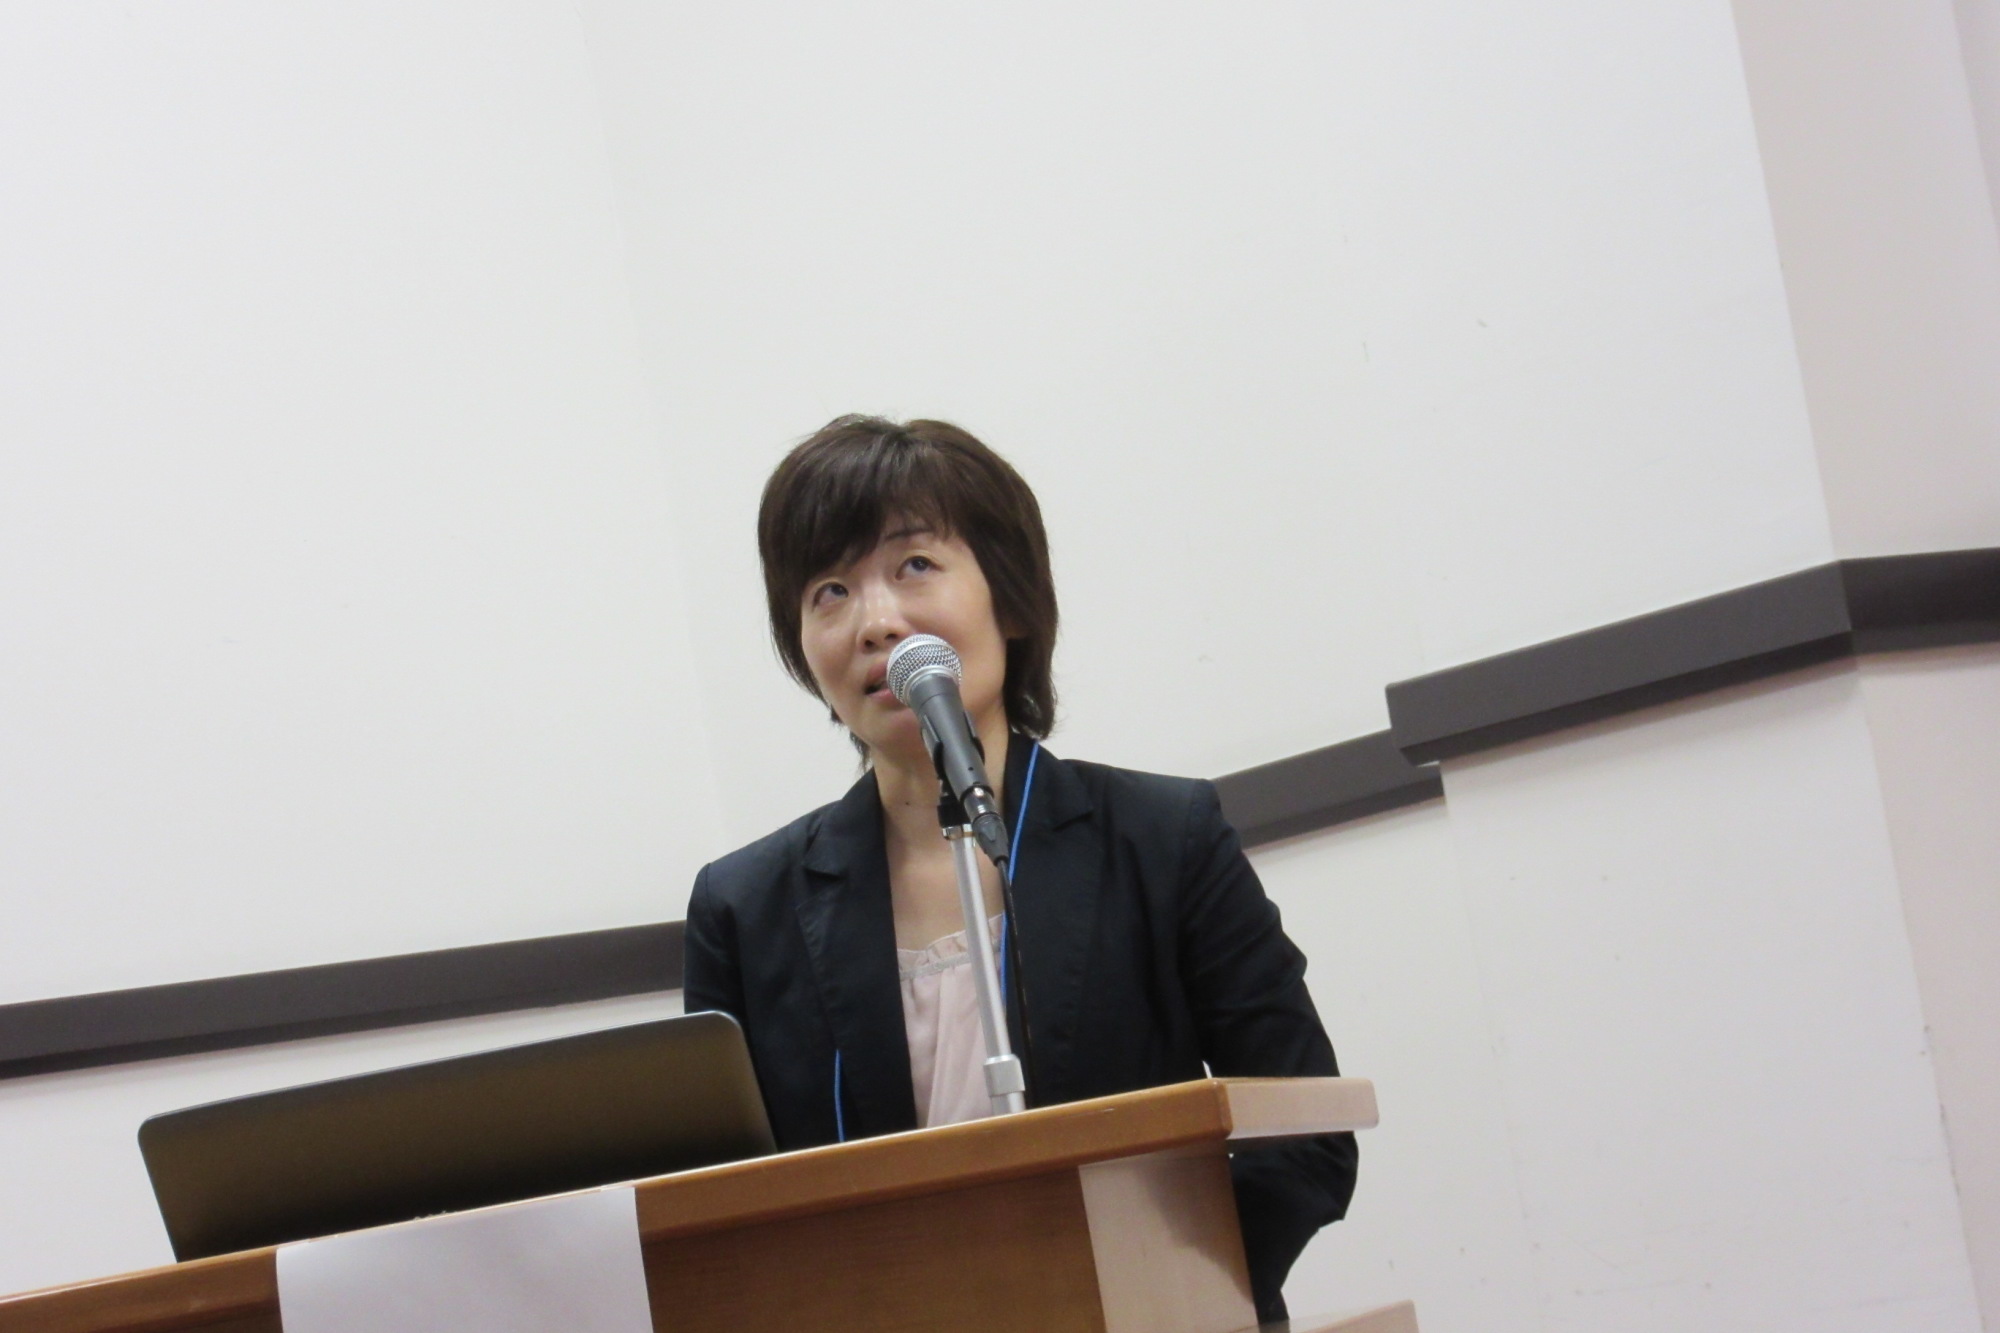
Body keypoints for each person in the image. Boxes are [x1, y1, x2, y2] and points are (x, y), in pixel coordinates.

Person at [682, 415, 1356, 1321]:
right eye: (829, 590)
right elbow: (712, 1218)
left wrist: (1156, 1296)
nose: (876, 621)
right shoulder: (743, 906)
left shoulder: (1163, 839)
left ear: (1011, 598)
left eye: (914, 565)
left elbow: (1307, 1127)